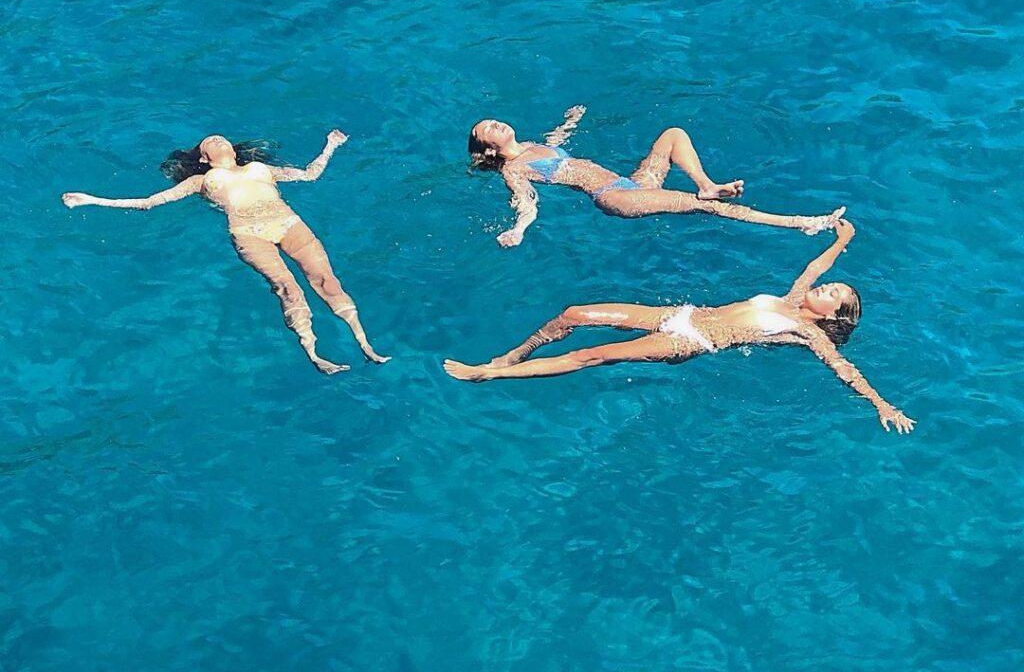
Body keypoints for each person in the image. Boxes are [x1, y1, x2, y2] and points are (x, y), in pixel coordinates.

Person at [444, 221, 915, 434]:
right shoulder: (791, 299)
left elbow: (842, 368)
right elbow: (815, 266)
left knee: (595, 354)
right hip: (682, 313)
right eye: (832, 285)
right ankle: (515, 353)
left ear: (833, 316)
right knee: (574, 313)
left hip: (688, 339)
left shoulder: (807, 332)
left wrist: (881, 404)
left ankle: (490, 372)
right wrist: (842, 240)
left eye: (835, 294)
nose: (827, 287)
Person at [62, 132, 388, 375]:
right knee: (288, 287)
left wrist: (330, 145)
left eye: (220, 138)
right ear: (203, 158)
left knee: (326, 281)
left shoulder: (262, 168)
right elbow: (149, 201)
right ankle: (315, 354)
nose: (217, 140)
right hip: (248, 233)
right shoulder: (201, 181)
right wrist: (92, 199)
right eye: (209, 142)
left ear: (233, 148)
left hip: (288, 222)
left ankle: (364, 343)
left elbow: (309, 174)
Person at [468, 106, 845, 247]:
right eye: (487, 128)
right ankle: (801, 223)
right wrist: (519, 229)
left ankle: (707, 184)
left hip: (630, 185)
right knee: (708, 210)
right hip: (614, 198)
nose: (494, 123)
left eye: (493, 119)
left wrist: (569, 123)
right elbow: (525, 201)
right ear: (487, 148)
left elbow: (556, 146)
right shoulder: (515, 168)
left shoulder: (533, 146)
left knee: (673, 134)